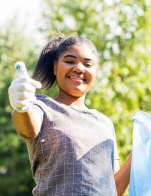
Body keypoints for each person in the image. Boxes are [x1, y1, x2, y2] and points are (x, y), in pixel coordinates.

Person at [8, 36, 131, 196]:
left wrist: (136, 156)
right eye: (70, 61)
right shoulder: (42, 106)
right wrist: (22, 107)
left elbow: (113, 189)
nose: (79, 68)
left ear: (95, 72)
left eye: (87, 64)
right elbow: (26, 128)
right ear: (55, 67)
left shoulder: (104, 123)